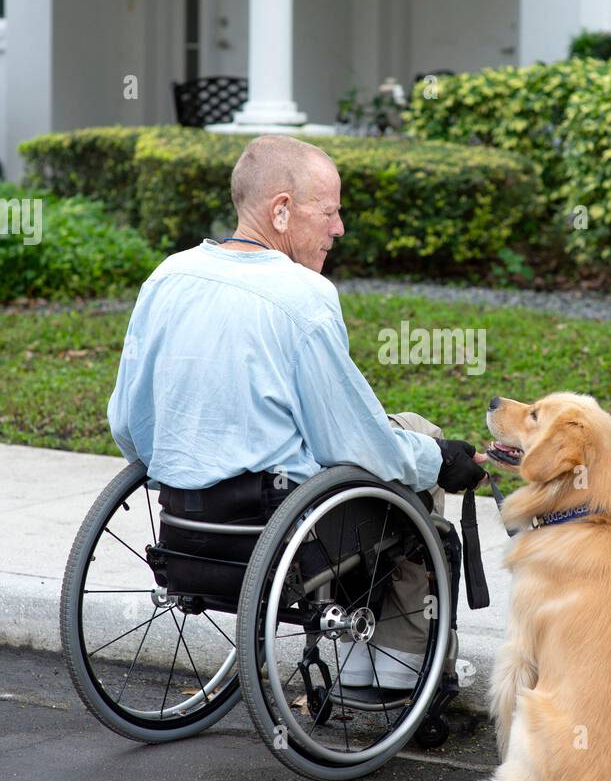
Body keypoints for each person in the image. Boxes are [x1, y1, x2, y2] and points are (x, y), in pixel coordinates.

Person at [107, 134, 486, 688]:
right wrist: (438, 459)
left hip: (186, 528)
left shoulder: (167, 277)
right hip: (286, 530)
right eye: (329, 211)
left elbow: (128, 425)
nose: (339, 229)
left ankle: (378, 661)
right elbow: (357, 444)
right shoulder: (302, 295)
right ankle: (391, 667)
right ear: (281, 210)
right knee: (415, 447)